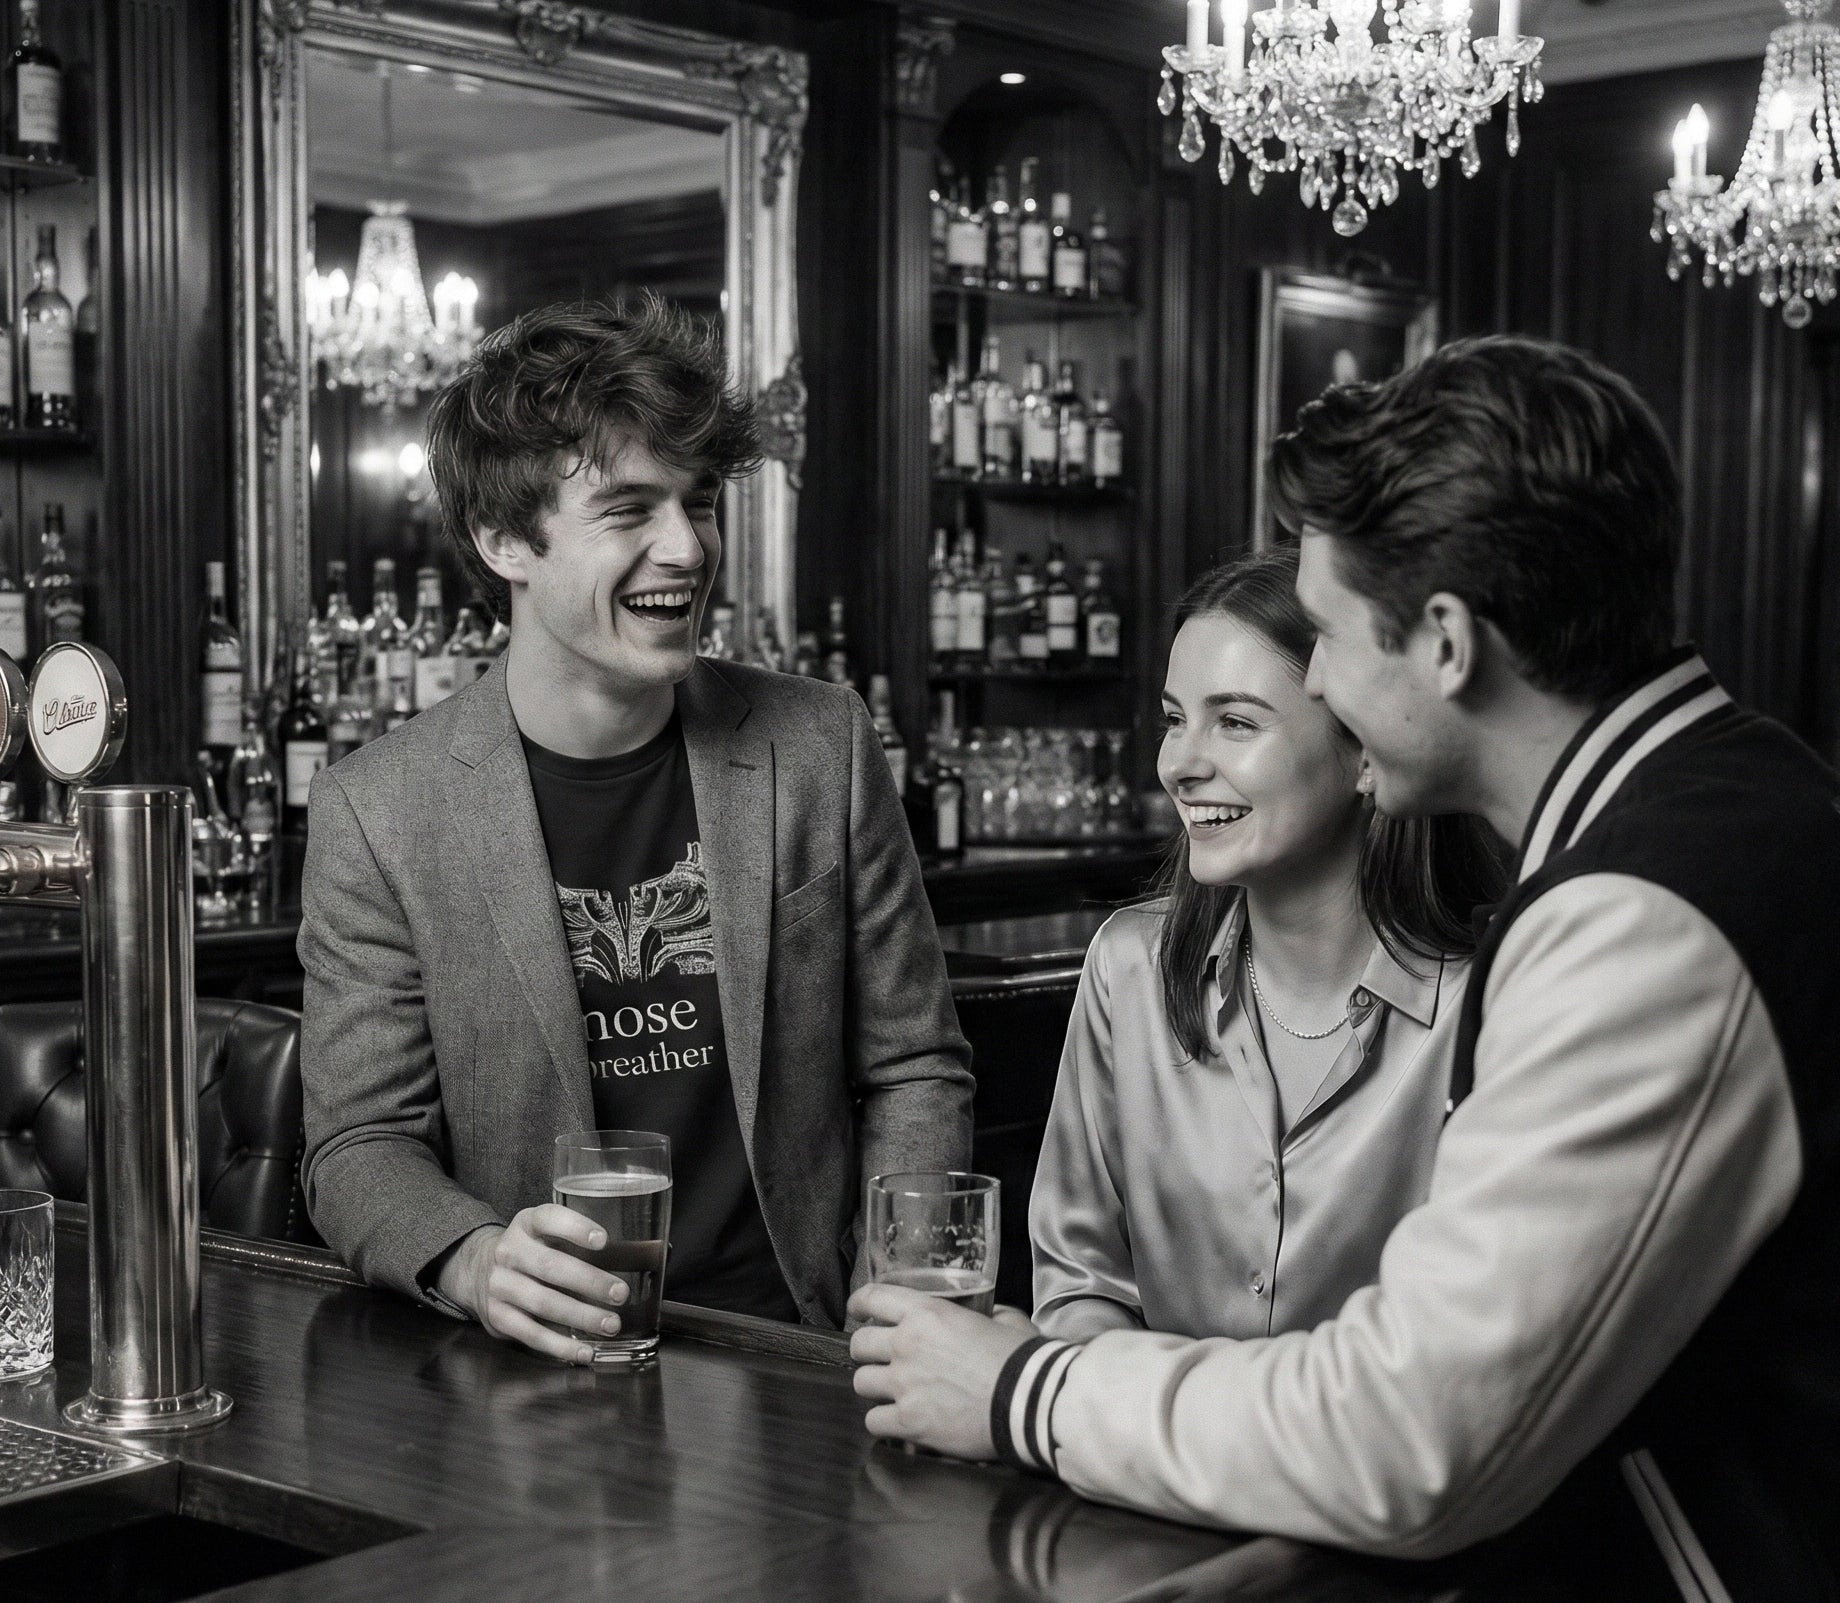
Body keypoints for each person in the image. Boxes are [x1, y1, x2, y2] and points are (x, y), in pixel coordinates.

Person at [847, 336, 1840, 1590]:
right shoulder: (1748, 794)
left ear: (1442, 642)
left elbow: (1413, 1437)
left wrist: (1021, 1390)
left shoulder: (1636, 917)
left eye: (1321, 635)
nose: (1315, 674)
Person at [301, 292, 972, 1363]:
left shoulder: (817, 743)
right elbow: (358, 1144)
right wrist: (475, 1261)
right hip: (537, 1368)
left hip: (800, 1349)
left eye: (698, 503)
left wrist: (897, 1302)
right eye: (628, 511)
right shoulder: (377, 811)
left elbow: (913, 1066)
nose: (687, 547)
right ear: (503, 539)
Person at [1029, 544, 1502, 1346]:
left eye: (1236, 721)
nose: (1180, 764)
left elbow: (1468, 1357)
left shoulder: (1487, 1003)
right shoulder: (1128, 968)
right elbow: (1079, 1286)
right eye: (1175, 720)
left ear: (1365, 748)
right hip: (1135, 1470)